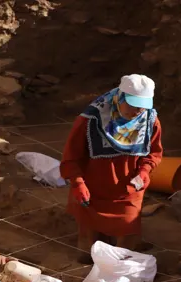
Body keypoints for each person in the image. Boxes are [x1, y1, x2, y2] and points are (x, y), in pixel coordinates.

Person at [60, 74, 163, 263]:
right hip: (93, 187)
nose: (138, 111)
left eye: (142, 106)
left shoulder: (149, 120)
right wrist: (77, 182)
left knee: (127, 234)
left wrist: (144, 171)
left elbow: (153, 153)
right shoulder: (91, 120)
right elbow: (71, 157)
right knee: (88, 247)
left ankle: (119, 265)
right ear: (120, 97)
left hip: (129, 188)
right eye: (132, 104)